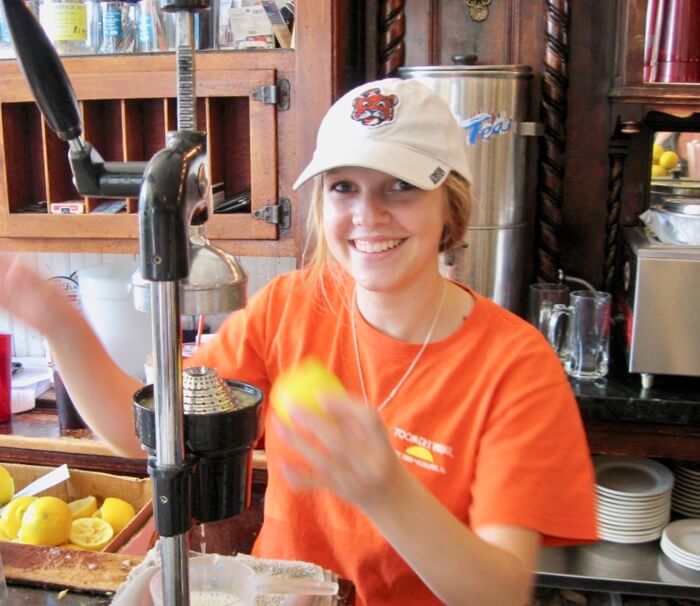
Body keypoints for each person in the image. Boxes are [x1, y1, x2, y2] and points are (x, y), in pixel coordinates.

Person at [0, 78, 598, 605]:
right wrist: (59, 323)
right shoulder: (292, 305)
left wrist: (386, 491)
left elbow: (499, 592)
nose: (368, 214)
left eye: (401, 186)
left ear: (452, 206)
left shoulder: (515, 366)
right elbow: (152, 436)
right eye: (343, 187)